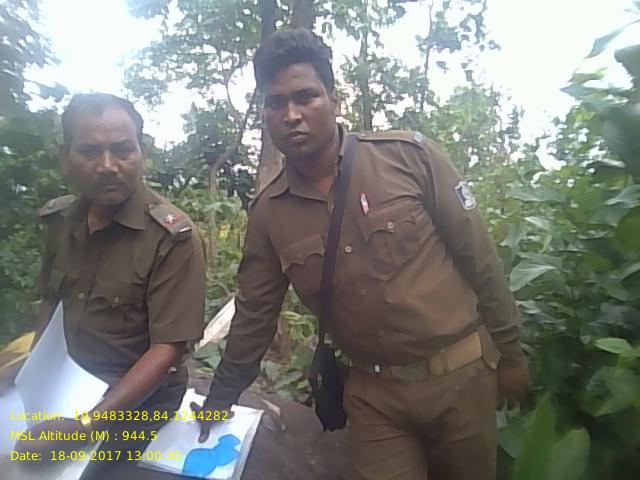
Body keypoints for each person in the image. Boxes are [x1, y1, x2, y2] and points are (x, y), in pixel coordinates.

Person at [194, 29, 529, 480]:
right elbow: (254, 315)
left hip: (460, 379)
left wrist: (511, 353)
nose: (291, 115)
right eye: (275, 103)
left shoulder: (408, 159)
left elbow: (479, 258)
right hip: (374, 398)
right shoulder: (270, 213)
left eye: (305, 97)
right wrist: (220, 399)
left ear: (334, 99)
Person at [13, 93, 206, 477]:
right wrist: (26, 373)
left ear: (142, 151)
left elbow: (167, 349)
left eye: (122, 150)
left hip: (137, 400)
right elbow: (51, 306)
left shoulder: (171, 238)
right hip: (65, 381)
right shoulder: (61, 221)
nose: (107, 166)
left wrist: (86, 427)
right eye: (90, 152)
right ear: (65, 157)